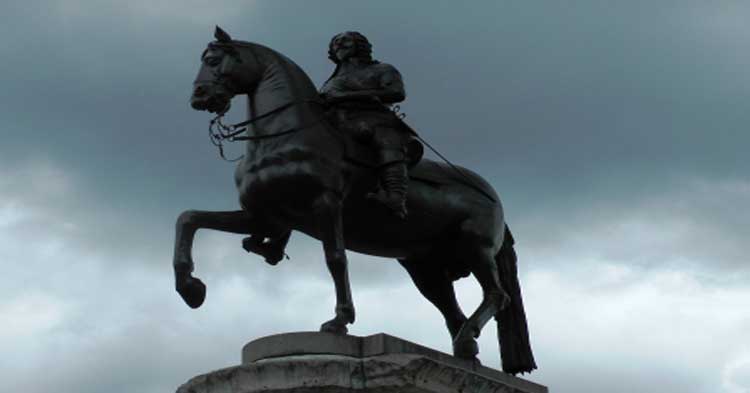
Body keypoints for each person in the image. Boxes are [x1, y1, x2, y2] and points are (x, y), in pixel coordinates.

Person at [319, 31, 412, 219]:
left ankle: (396, 196)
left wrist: (346, 96)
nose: (338, 45)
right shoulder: (330, 81)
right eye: (335, 42)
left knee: (385, 138)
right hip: (337, 122)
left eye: (345, 40)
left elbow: (396, 92)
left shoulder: (382, 69)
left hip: (373, 119)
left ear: (359, 45)